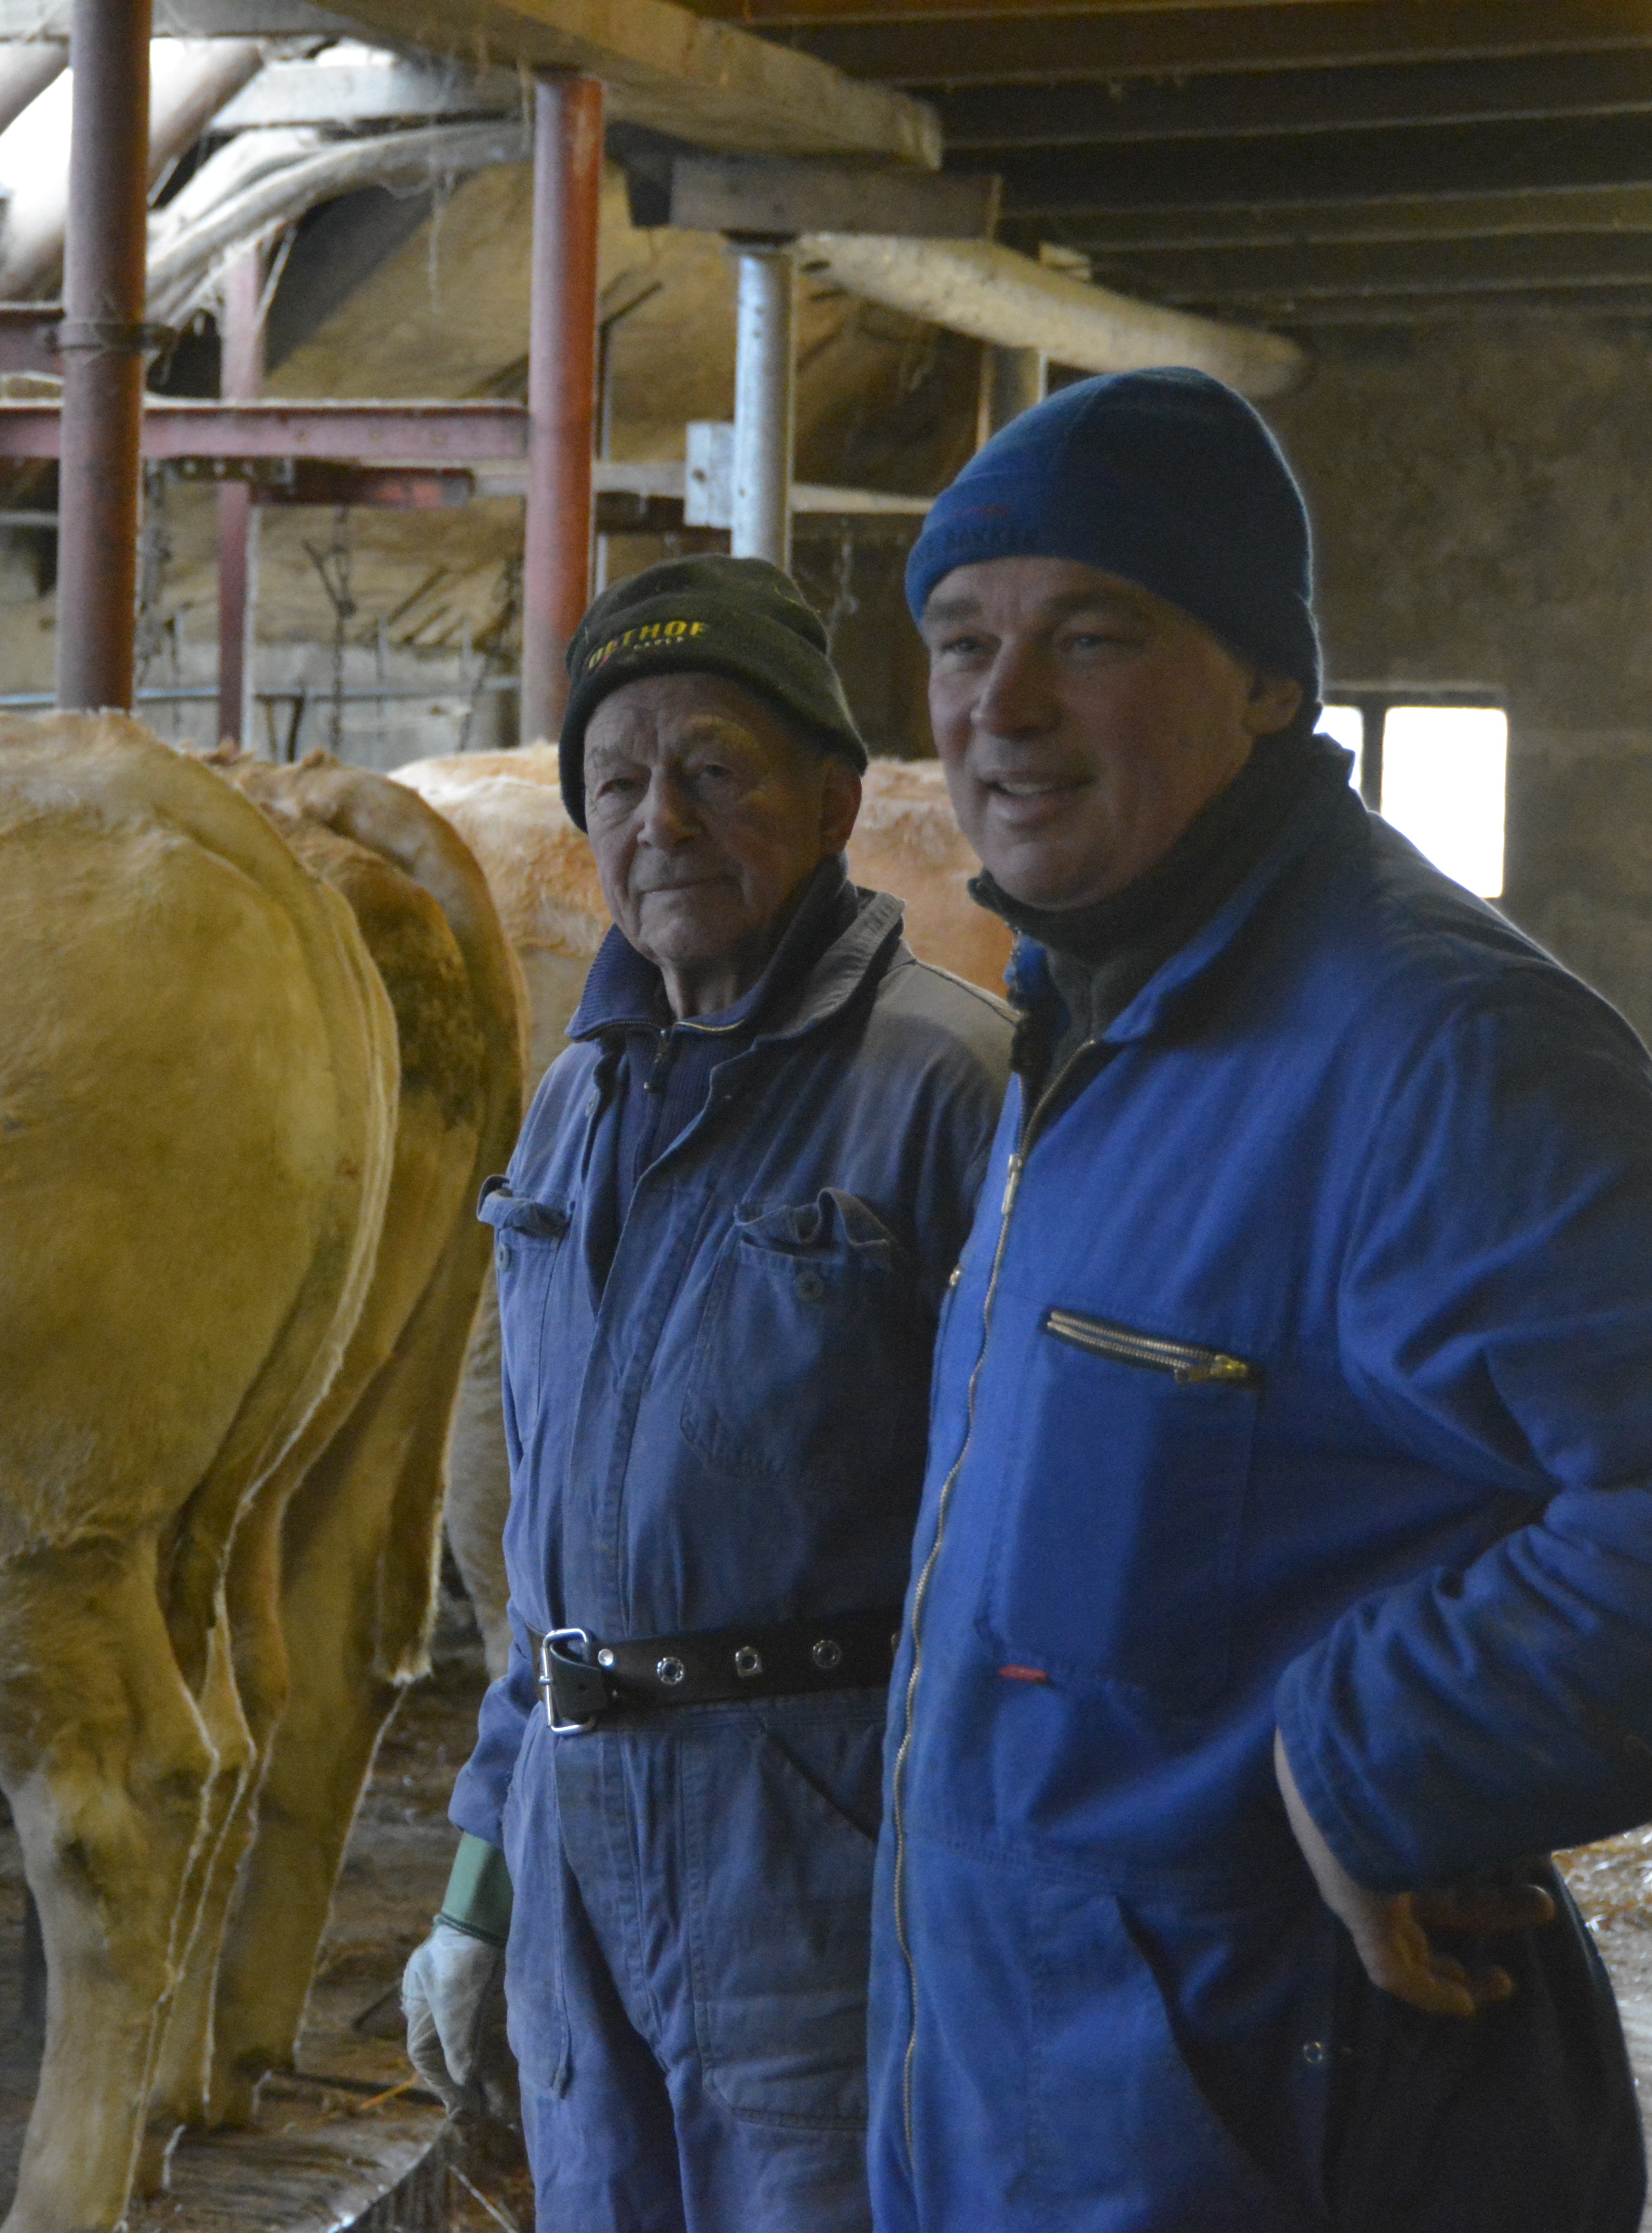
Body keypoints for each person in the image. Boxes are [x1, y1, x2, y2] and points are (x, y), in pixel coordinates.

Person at [871, 366, 1652, 2230]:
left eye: (1093, 636)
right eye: (961, 642)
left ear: (1268, 679)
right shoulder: (1087, 1031)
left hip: (1285, 2134)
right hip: (1055, 2112)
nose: (1004, 709)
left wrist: (1381, 1755)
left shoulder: (1425, 1047)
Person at [398, 554, 1014, 2232]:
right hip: (575, 1841)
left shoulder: (951, 1093)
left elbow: (1031, 1547)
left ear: (831, 803)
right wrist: (476, 1886)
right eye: (616, 779)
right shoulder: (573, 1106)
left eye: (712, 770)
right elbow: (545, 1556)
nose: (657, 817)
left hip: (815, 1844)